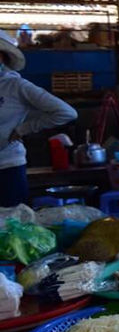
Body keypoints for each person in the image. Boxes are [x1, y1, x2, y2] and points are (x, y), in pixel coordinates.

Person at [0, 32, 76, 206]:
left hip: (7, 167)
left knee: (12, 225)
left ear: (3, 57)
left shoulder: (17, 86)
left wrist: (23, 129)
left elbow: (66, 112)